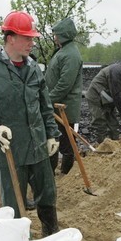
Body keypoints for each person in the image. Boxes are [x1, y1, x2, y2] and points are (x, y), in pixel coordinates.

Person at [0, 10, 61, 237]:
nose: (31, 42)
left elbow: (45, 106)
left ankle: (51, 234)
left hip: (37, 145)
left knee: (47, 194)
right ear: (11, 38)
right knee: (14, 204)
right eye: (27, 37)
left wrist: (51, 134)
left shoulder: (34, 70)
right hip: (11, 149)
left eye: (32, 38)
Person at [45, 17, 83, 175]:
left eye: (57, 35)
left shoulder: (71, 55)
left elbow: (64, 85)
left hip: (64, 108)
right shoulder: (63, 51)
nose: (54, 38)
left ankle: (65, 174)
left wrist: (47, 99)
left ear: (64, 35)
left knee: (67, 144)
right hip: (56, 105)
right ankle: (53, 172)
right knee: (54, 140)